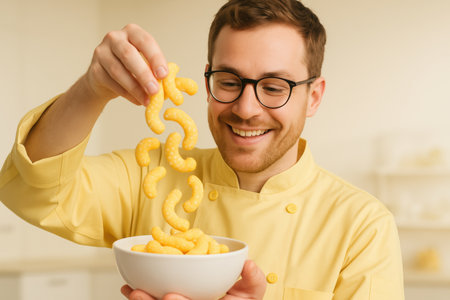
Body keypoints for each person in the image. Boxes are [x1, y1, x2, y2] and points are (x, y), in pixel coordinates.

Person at [0, 0, 404, 299]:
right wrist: (90, 91)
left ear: (313, 97)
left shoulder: (362, 227)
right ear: (207, 78)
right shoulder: (151, 176)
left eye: (274, 87)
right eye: (229, 81)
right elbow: (32, 188)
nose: (246, 109)